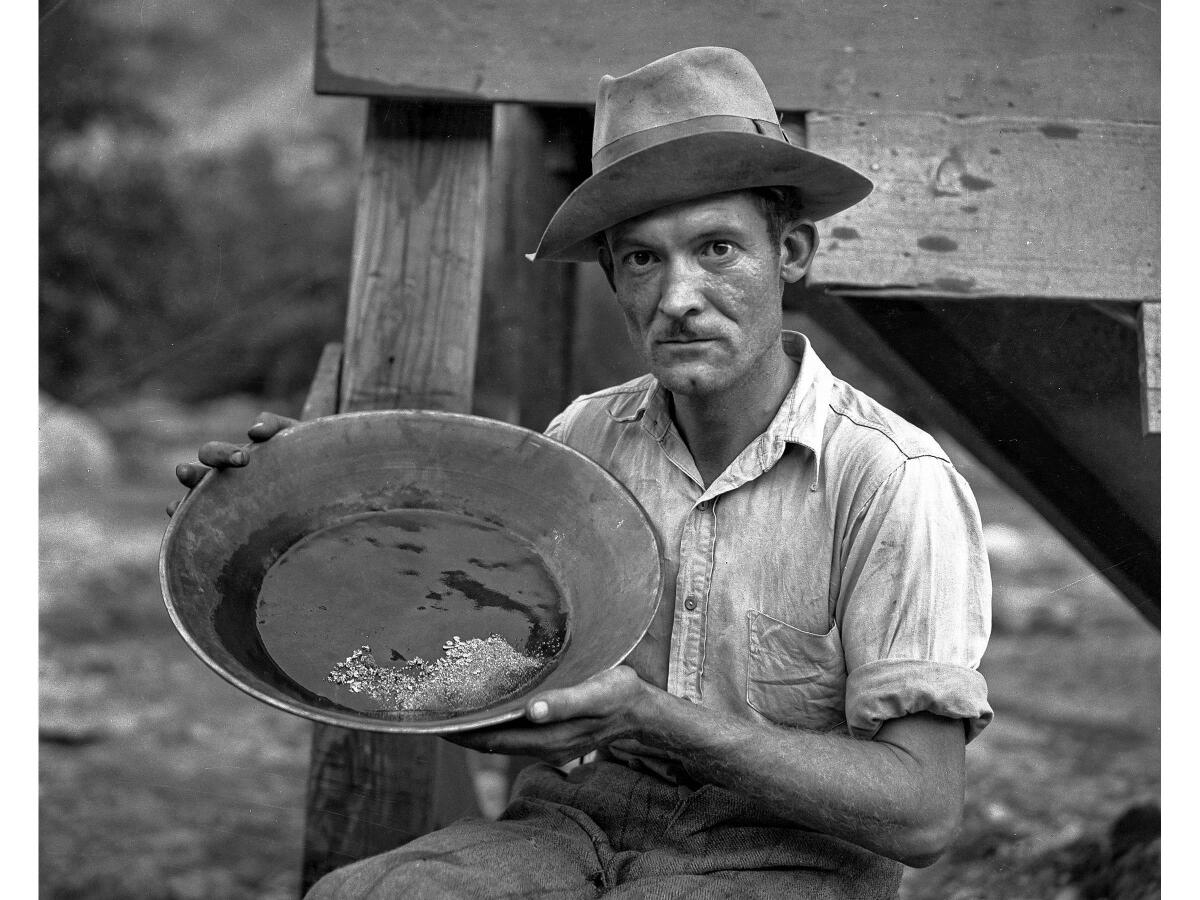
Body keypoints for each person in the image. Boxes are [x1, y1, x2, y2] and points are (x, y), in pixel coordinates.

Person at [175, 47, 992, 899]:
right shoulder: (585, 437)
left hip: (788, 858)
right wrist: (291, 509)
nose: (678, 296)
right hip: (575, 827)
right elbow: (488, 652)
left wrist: (656, 720)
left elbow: (924, 814)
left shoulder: (890, 478)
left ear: (790, 251)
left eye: (716, 249)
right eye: (642, 259)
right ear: (613, 276)